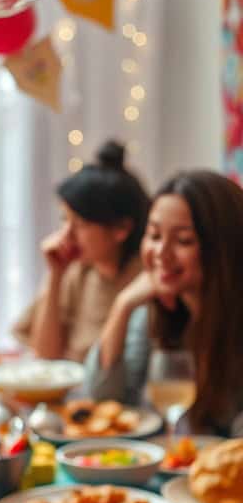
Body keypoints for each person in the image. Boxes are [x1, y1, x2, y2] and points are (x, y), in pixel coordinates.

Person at [83, 169, 243, 435]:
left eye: (183, 240)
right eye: (155, 235)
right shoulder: (154, 313)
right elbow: (106, 401)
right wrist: (122, 306)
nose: (161, 253)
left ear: (223, 247)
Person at [15, 141, 150, 363]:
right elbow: (45, 357)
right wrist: (55, 275)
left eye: (80, 224)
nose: (65, 235)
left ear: (121, 229)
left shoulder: (145, 280)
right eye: (64, 220)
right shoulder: (77, 271)